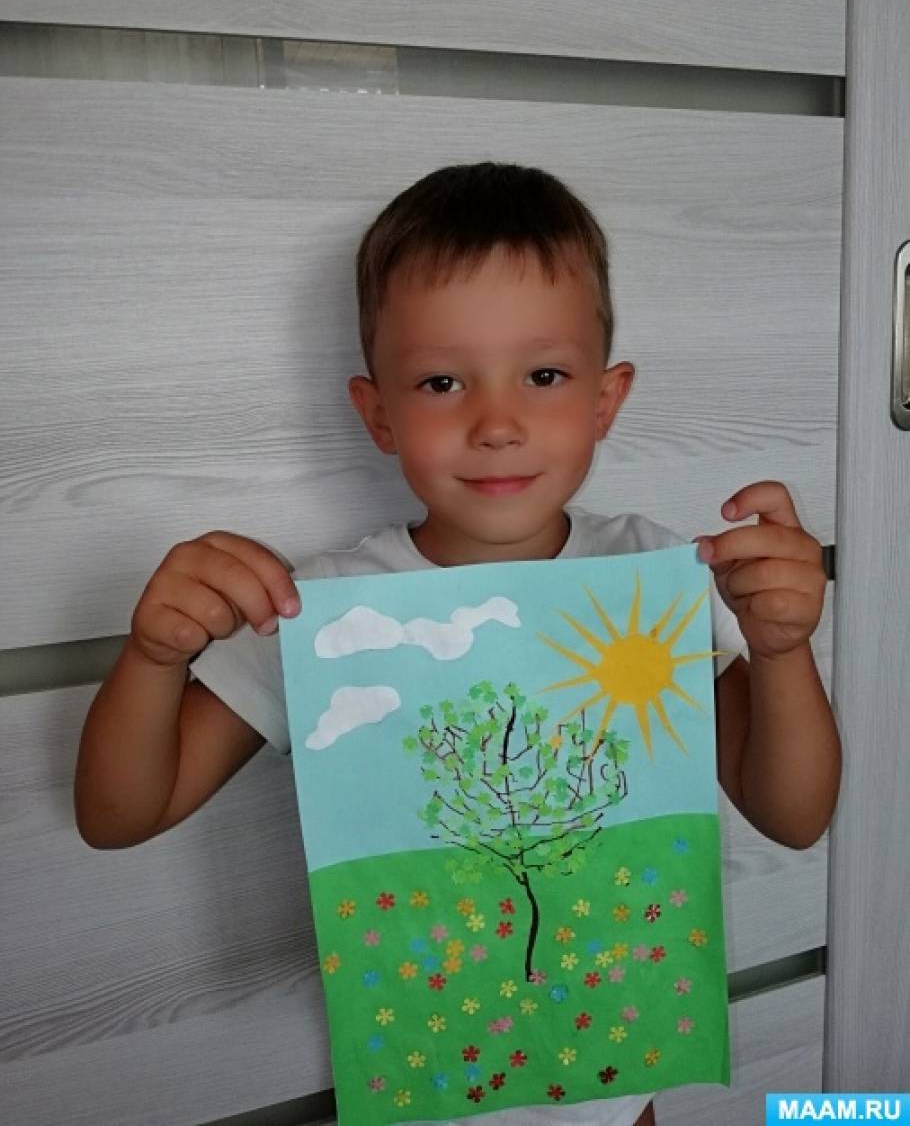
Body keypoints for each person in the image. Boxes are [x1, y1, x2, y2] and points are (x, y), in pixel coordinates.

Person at [75, 162, 841, 1126]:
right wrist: (152, 658)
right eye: (442, 381)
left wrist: (782, 653)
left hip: (617, 1101)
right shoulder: (319, 612)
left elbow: (795, 814)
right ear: (379, 413)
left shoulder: (654, 578)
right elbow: (119, 813)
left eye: (544, 375)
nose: (497, 424)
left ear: (606, 400)